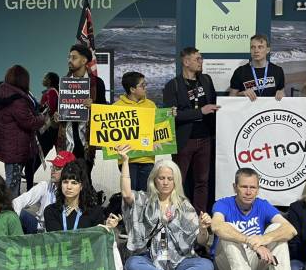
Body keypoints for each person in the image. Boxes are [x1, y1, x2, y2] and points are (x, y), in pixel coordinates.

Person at [117, 146, 214, 270]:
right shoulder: (145, 200)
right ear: (154, 179)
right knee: (132, 265)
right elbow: (126, 194)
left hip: (180, 260)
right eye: (161, 178)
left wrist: (203, 229)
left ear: (176, 181)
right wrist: (125, 161)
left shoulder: (184, 206)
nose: (165, 182)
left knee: (207, 267)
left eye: (170, 179)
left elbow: (200, 241)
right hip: (151, 260)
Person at [211, 168, 296, 270]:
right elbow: (216, 226)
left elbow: (291, 230)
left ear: (258, 189)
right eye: (244, 187)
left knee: (277, 228)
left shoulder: (262, 205)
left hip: (255, 264)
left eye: (253, 187)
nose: (249, 192)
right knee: (227, 228)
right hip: (227, 267)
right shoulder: (223, 204)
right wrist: (251, 242)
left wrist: (264, 239)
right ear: (235, 187)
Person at [162, 47, 219, 214]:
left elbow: (214, 103)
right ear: (186, 62)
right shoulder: (173, 85)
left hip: (206, 138)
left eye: (201, 59)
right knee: (178, 181)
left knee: (202, 181)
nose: (201, 62)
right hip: (184, 140)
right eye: (198, 59)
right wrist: (199, 112)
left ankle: (200, 216)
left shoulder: (206, 80)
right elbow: (172, 115)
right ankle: (177, 214)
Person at [0, 65, 45, 197]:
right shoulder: (17, 99)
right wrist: (42, 118)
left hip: (9, 144)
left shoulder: (5, 94)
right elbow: (29, 122)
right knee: (12, 184)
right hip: (16, 147)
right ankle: (8, 214)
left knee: (12, 180)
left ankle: (10, 212)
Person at [55, 44, 108, 180]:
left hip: (86, 141)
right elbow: (59, 108)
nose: (69, 60)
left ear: (84, 61)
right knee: (66, 179)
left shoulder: (97, 83)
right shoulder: (64, 82)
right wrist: (56, 115)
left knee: (84, 179)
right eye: (69, 57)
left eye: (74, 57)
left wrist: (94, 106)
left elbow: (104, 111)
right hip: (67, 139)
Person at [114, 71, 158, 192]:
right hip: (127, 159)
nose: (146, 87)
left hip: (147, 159)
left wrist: (170, 115)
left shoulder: (151, 105)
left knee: (145, 195)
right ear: (132, 89)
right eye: (142, 85)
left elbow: (158, 126)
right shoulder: (116, 107)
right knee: (129, 194)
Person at [12, 150, 75, 234]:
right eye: (53, 167)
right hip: (40, 229)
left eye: (58, 168)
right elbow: (19, 201)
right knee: (14, 212)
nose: (53, 170)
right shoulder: (44, 186)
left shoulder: (74, 192)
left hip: (61, 232)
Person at [44, 160, 115, 232]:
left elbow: (95, 241)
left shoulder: (95, 212)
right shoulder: (51, 211)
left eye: (74, 183)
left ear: (81, 186)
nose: (69, 187)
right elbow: (55, 239)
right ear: (60, 185)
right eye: (65, 182)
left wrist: (104, 230)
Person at [229, 34, 285, 101]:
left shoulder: (278, 71)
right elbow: (231, 98)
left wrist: (282, 94)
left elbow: (283, 94)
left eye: (260, 47)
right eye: (253, 47)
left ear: (267, 50)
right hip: (247, 110)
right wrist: (242, 94)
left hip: (270, 110)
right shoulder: (240, 72)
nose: (256, 51)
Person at [38, 71, 60, 155]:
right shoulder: (50, 91)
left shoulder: (51, 91)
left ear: (50, 81)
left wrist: (40, 109)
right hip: (49, 126)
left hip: (50, 127)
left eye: (45, 78)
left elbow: (51, 108)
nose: (43, 80)